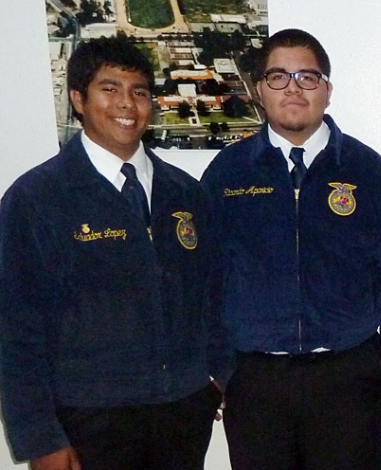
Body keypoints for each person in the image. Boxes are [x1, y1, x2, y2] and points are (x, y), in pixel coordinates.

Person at [0, 36, 233, 470]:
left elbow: (214, 293)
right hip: (88, 420)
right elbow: (16, 328)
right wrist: (39, 438)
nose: (127, 104)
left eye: (139, 92)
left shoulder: (185, 193)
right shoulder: (36, 199)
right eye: (109, 89)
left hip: (182, 413)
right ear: (78, 99)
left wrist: (216, 375)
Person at [200, 29, 381, 469]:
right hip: (254, 379)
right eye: (278, 76)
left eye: (307, 77)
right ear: (259, 90)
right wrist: (216, 363)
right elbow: (204, 275)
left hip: (347, 375)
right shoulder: (227, 173)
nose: (293, 88)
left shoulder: (365, 170)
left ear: (327, 90)